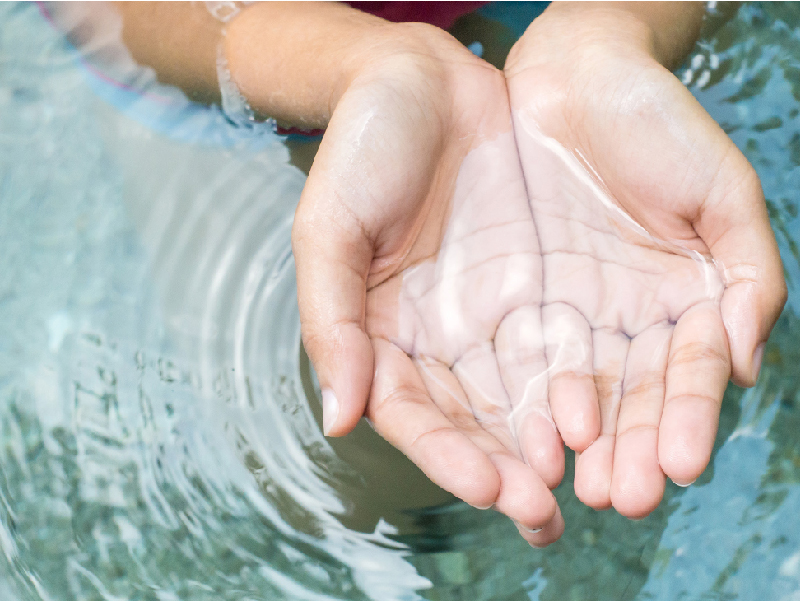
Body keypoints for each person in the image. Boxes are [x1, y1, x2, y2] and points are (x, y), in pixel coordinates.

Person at [104, 1, 786, 548]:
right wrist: (360, 64)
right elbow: (111, 15)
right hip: (257, 41)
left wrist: (616, 26)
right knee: (345, 483)